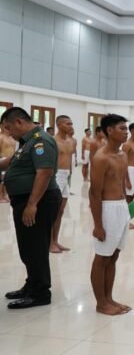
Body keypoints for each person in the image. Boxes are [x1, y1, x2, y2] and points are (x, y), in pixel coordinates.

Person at [0, 107, 62, 309]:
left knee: (35, 247)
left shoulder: (40, 141)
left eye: (8, 128)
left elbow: (44, 173)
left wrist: (32, 204)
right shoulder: (28, 142)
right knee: (28, 247)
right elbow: (14, 162)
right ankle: (32, 284)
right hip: (27, 200)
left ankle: (40, 292)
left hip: (38, 201)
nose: (8, 133)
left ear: (19, 122)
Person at [89, 113, 132, 315]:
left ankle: (109, 298)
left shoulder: (123, 155)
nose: (126, 132)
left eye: (126, 128)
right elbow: (94, 193)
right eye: (122, 128)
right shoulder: (101, 158)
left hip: (122, 207)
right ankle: (100, 303)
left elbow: (121, 184)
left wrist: (128, 212)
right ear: (109, 130)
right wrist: (98, 224)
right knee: (102, 258)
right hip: (107, 209)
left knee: (113, 256)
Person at [50, 115, 76, 253]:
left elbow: (70, 158)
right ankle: (49, 243)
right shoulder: (53, 141)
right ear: (59, 125)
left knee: (60, 211)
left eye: (71, 123)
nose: (71, 126)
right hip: (56, 175)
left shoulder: (72, 141)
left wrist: (70, 174)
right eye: (67, 123)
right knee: (52, 211)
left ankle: (55, 240)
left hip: (66, 175)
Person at [0, 125, 17, 203]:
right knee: (2, 180)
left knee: (8, 179)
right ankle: (0, 196)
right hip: (2, 159)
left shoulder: (12, 139)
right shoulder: (1, 137)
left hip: (11, 160)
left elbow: (14, 151)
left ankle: (5, 195)